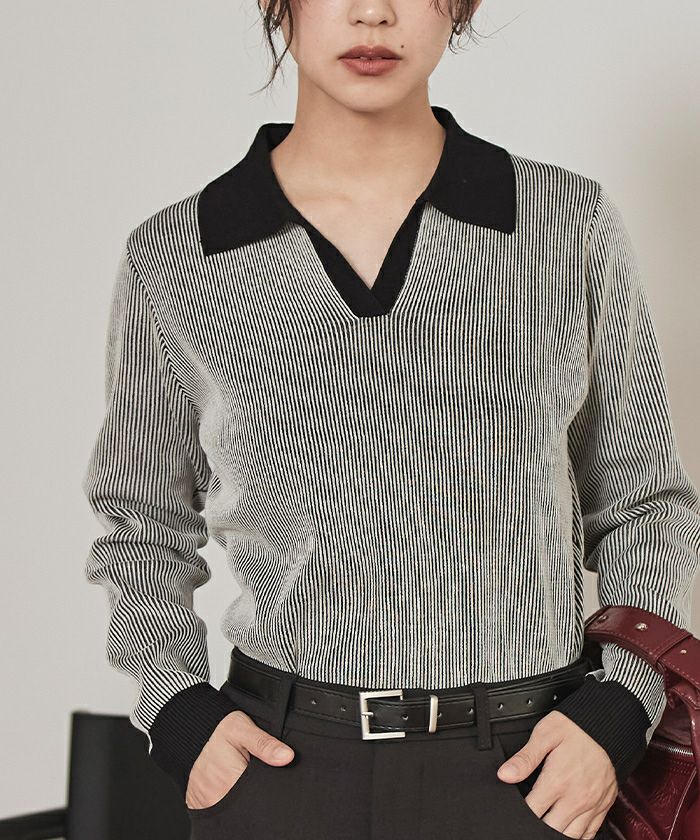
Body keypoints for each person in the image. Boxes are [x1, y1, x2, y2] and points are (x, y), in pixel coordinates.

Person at [81, 1, 700, 838]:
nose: (373, 12)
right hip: (280, 768)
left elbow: (644, 500)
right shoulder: (177, 255)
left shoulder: (564, 223)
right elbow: (140, 522)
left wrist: (621, 707)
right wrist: (177, 708)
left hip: (530, 768)